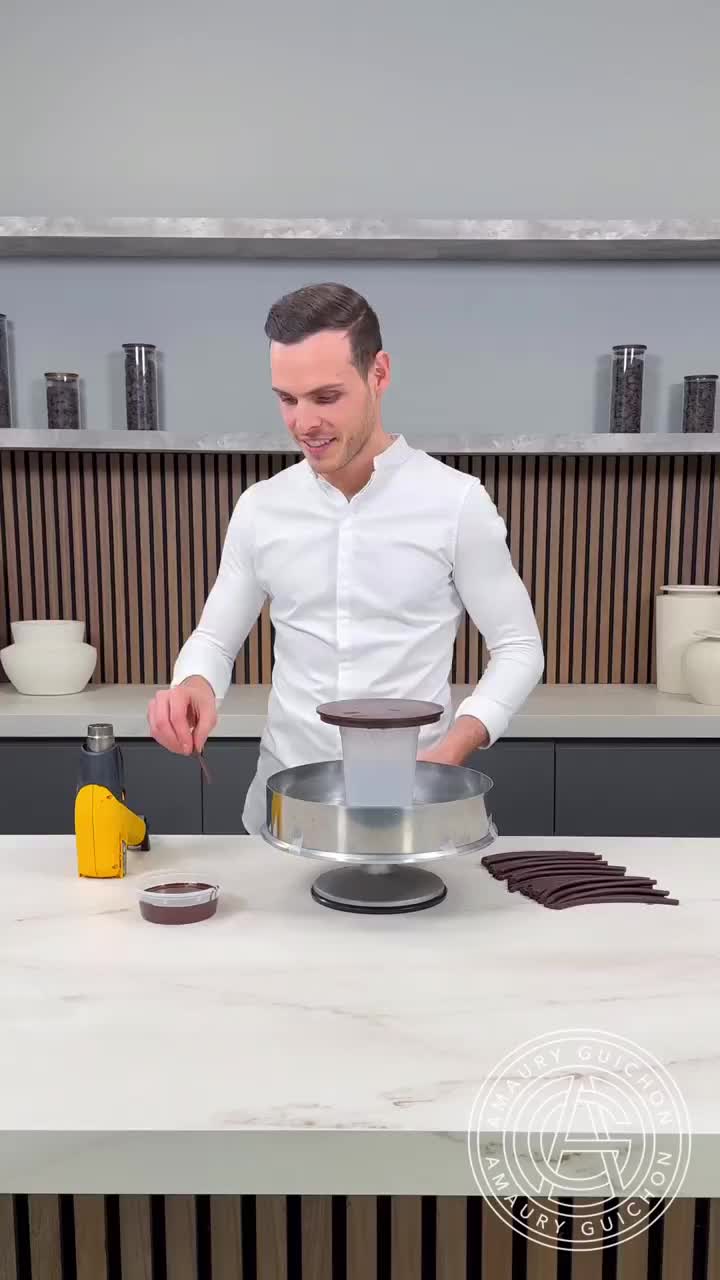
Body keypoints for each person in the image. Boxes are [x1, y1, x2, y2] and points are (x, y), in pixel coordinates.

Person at [147, 283, 544, 833]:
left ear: (378, 373)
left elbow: (520, 647)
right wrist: (192, 684)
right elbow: (214, 640)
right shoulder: (261, 507)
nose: (303, 423)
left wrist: (455, 747)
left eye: (326, 397)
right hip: (287, 809)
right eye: (287, 399)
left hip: (418, 800)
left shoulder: (457, 503)